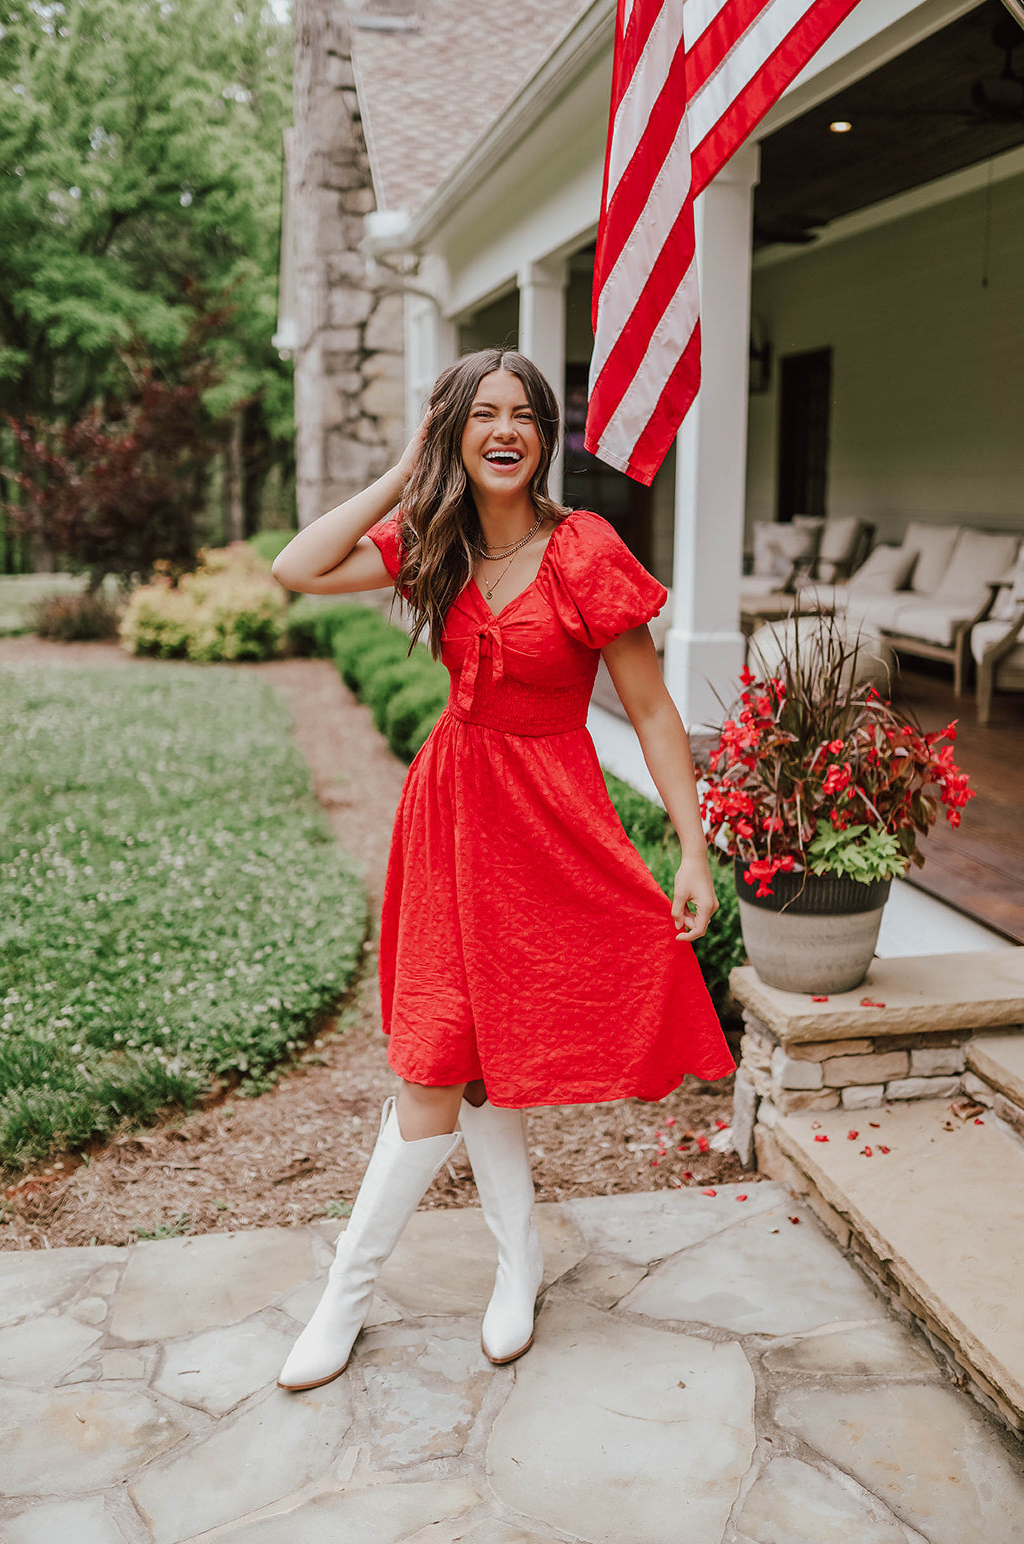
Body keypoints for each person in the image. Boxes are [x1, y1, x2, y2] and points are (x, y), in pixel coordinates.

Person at [271, 348, 735, 1392]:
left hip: (548, 826)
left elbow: (653, 710)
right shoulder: (431, 540)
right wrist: (405, 465)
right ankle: (352, 1300)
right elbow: (297, 566)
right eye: (480, 414)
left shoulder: (583, 548)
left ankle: (514, 1265)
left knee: (494, 1055)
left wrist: (690, 844)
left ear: (545, 435)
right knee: (438, 1058)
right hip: (450, 817)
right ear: (456, 430)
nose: (503, 430)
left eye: (522, 414)